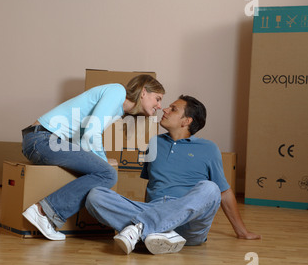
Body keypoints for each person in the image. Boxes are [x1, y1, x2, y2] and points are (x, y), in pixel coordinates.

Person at [85, 95, 261, 254]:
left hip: (189, 223)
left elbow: (223, 192)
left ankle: (141, 229)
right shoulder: (154, 143)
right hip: (155, 209)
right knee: (95, 195)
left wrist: (242, 232)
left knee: (210, 188)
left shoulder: (209, 148)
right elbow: (152, 184)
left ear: (186, 121)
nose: (165, 109)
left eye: (173, 109)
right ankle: (160, 232)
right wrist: (156, 213)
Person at [21, 75, 165, 241]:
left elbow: (83, 137)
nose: (160, 106)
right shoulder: (117, 91)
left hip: (42, 140)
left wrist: (101, 161)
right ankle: (43, 211)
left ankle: (47, 212)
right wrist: (104, 163)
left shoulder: (119, 109)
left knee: (104, 172)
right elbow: (90, 134)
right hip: (43, 140)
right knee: (109, 174)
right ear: (143, 92)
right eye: (158, 98)